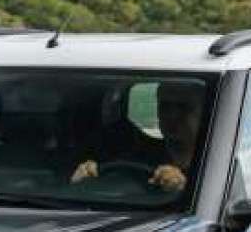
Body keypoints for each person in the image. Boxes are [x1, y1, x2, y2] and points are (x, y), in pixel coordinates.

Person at [70, 81, 205, 193]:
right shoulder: (136, 155)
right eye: (164, 107)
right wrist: (83, 181)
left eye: (183, 108)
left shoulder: (217, 162)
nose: (171, 117)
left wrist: (182, 189)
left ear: (205, 113)